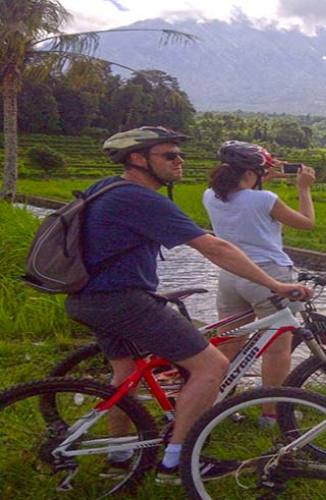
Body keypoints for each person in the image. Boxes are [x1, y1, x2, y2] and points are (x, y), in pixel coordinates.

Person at [64, 126, 312, 484]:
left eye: (179, 154)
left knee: (124, 375)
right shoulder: (141, 198)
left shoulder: (106, 187)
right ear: (138, 159)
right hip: (123, 300)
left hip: (89, 298)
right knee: (211, 365)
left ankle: (120, 456)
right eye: (169, 156)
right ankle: (178, 463)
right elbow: (215, 247)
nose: (180, 161)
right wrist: (276, 284)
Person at [202, 141, 316, 427]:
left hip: (231, 275)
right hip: (268, 276)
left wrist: (260, 178)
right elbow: (306, 222)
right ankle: (271, 414)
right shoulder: (264, 199)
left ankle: (212, 405)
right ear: (253, 173)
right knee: (277, 349)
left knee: (227, 345)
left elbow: (243, 198)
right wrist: (304, 188)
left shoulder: (210, 196)